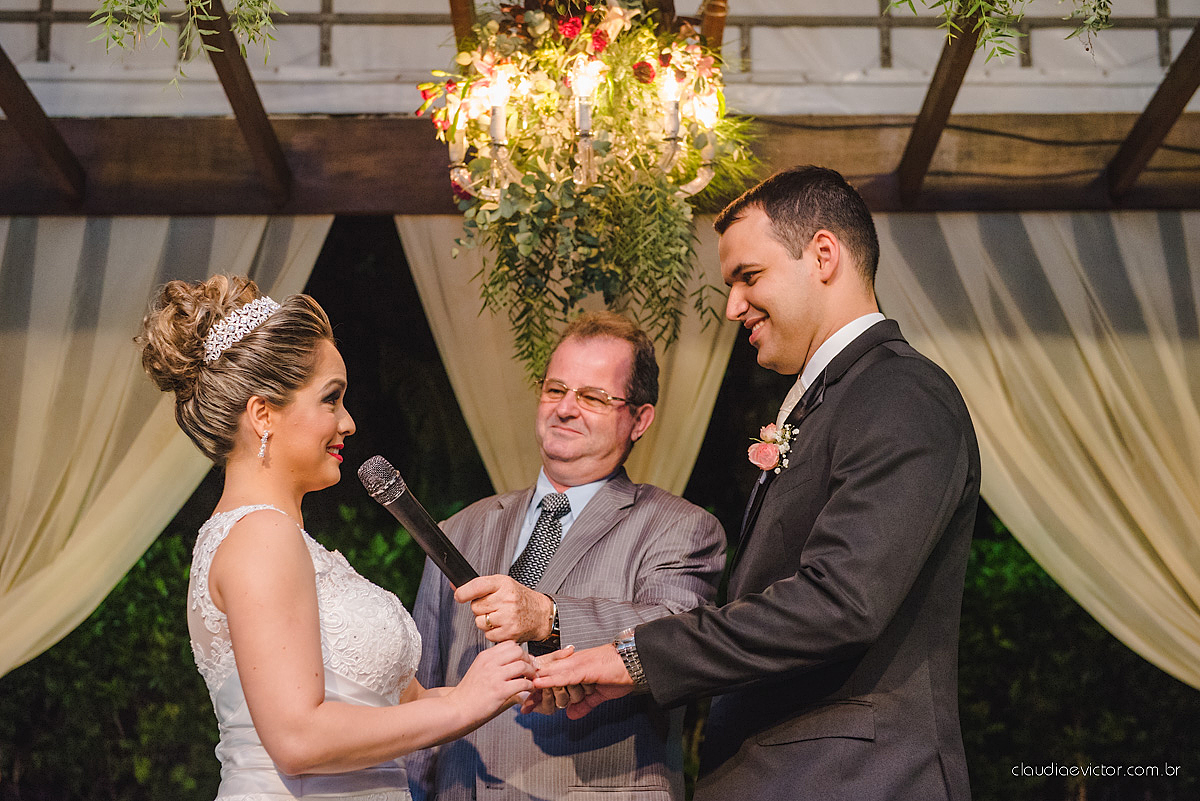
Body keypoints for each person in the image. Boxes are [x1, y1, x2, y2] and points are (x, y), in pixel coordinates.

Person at [532, 166, 982, 801]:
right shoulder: (835, 399)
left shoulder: (900, 393)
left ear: (823, 255)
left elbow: (839, 602)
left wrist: (637, 658)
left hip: (851, 780)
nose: (733, 305)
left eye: (749, 277)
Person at [137, 275, 535, 801]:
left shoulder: (287, 543)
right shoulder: (261, 536)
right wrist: (464, 704)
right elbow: (298, 738)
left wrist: (513, 680)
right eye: (332, 399)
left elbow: (396, 712)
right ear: (263, 415)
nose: (348, 422)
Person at [408, 311, 726, 800]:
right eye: (555, 390)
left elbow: (679, 635)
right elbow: (422, 691)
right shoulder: (461, 528)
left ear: (639, 419)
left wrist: (550, 617)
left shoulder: (681, 527)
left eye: (593, 397)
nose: (565, 408)